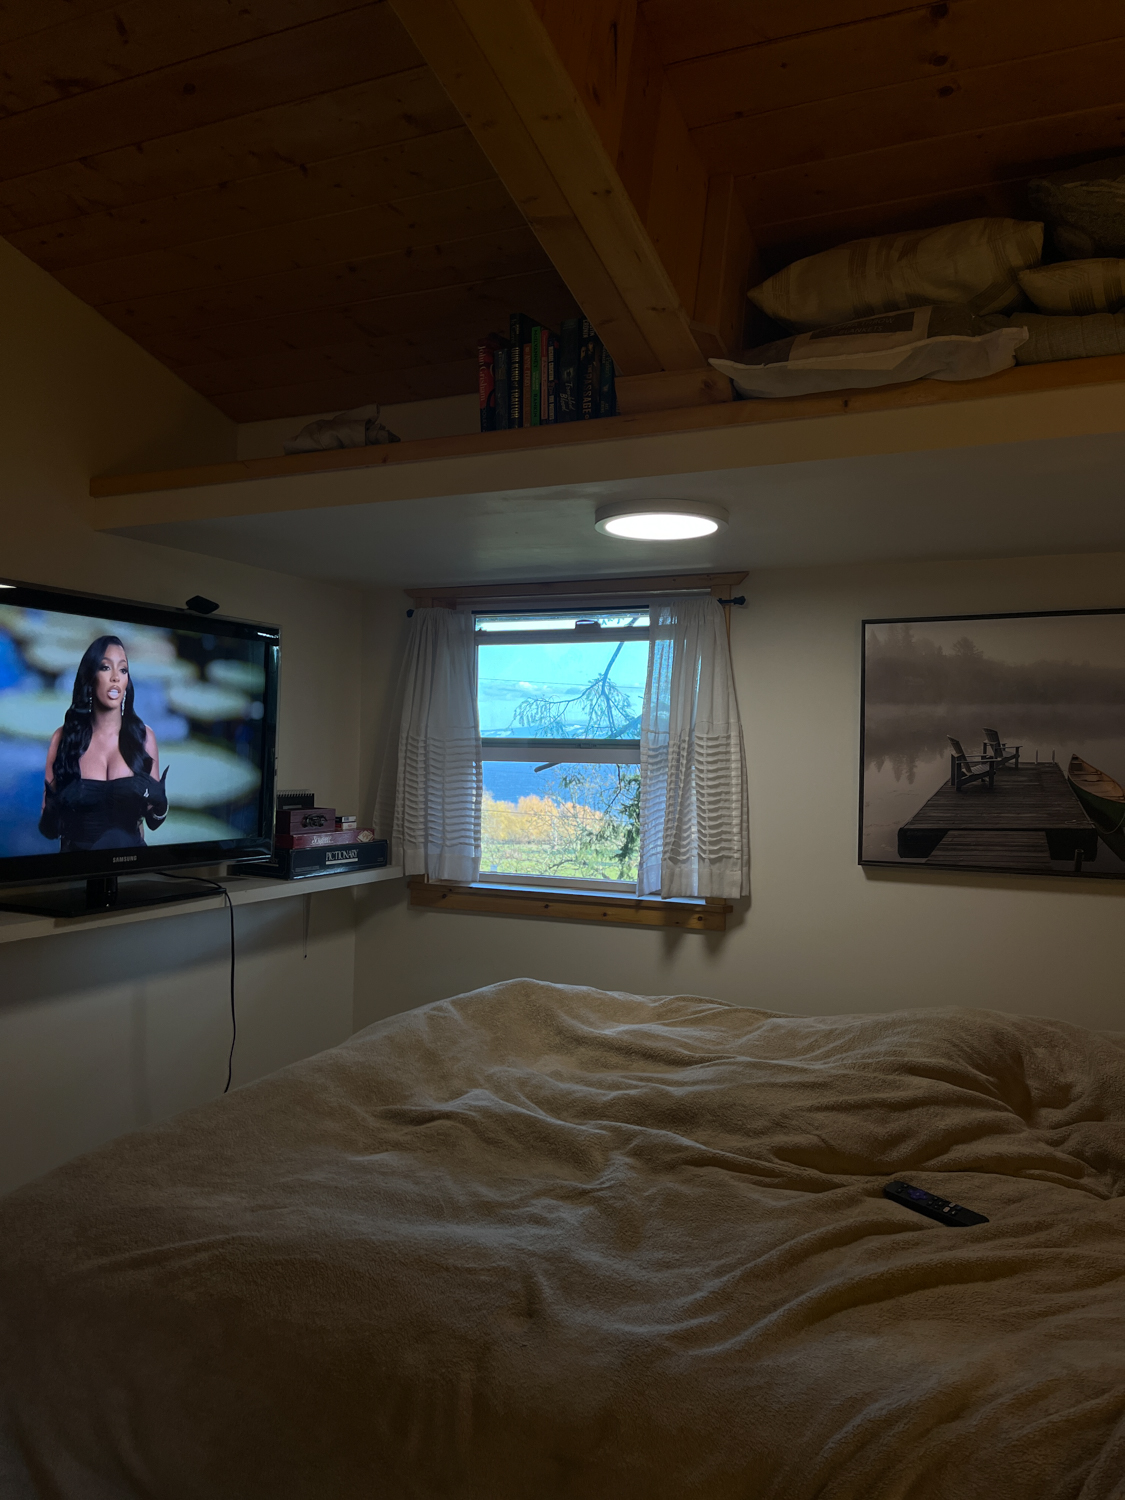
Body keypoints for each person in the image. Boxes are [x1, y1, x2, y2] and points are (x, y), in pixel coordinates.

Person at [39, 635, 169, 852]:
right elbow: (48, 829)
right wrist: (58, 805)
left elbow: (154, 821)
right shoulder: (62, 738)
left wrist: (161, 804)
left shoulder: (144, 737)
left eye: (123, 670)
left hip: (132, 864)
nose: (116, 677)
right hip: (78, 865)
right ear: (91, 677)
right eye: (106, 668)